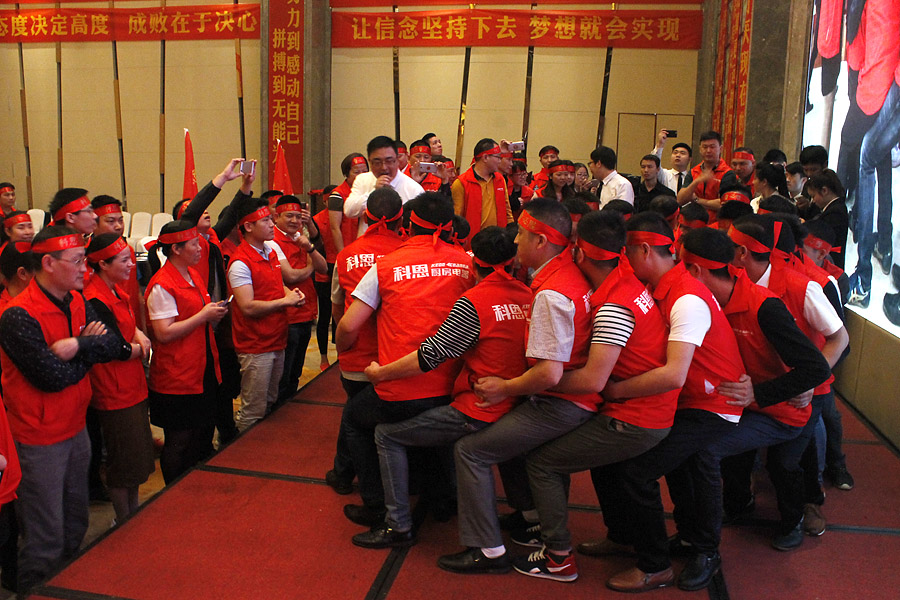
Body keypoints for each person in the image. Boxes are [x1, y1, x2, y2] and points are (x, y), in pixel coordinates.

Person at [512, 210, 678, 582]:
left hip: (638, 417)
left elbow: (592, 380)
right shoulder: (627, 280)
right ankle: (622, 537)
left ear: (579, 253)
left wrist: (534, 381)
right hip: (638, 407)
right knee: (606, 469)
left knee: (542, 463)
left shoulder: (615, 305)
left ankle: (565, 558)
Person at [438, 199, 594, 575]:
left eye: (521, 234)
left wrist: (504, 387)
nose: (515, 241)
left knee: (471, 451)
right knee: (509, 440)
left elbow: (548, 374)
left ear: (540, 241)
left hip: (559, 402)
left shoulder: (551, 293)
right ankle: (532, 521)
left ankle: (489, 550)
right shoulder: (569, 275)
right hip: (570, 396)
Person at [352, 226, 531, 550]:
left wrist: (382, 374)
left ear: (475, 263)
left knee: (386, 434)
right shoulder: (527, 295)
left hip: (478, 408)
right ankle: (521, 516)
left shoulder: (474, 301)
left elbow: (430, 354)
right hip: (517, 403)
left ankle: (397, 525)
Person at [596, 212, 746, 593]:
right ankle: (655, 536)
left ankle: (675, 560)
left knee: (640, 469)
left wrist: (617, 390)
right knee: (625, 457)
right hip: (686, 399)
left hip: (713, 403)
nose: (623, 258)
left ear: (645, 250)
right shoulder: (662, 286)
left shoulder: (686, 297)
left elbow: (673, 374)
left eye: (628, 250)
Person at [677, 227, 830, 554]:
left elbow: (815, 367)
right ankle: (734, 507)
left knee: (716, 452)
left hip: (780, 412)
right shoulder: (708, 302)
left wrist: (758, 393)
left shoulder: (764, 305)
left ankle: (789, 522)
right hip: (740, 405)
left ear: (697, 271)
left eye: (681, 267)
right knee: (699, 445)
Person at [0, 225, 128, 593]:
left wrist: (77, 345)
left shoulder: (75, 300)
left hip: (76, 428)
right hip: (38, 439)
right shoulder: (17, 315)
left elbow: (113, 346)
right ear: (48, 264)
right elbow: (51, 378)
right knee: (45, 539)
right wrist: (88, 350)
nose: (84, 268)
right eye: (76, 261)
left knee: (76, 524)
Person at [336, 192, 474, 527]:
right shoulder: (468, 264)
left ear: (409, 224)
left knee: (355, 419)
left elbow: (349, 325)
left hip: (403, 387)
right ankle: (443, 499)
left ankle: (375, 505)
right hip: (458, 386)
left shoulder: (386, 265)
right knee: (436, 432)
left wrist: (342, 349)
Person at [727, 215, 848, 538]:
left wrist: (808, 382)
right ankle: (740, 503)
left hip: (805, 388)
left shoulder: (804, 286)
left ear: (744, 251)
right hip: (760, 381)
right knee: (735, 450)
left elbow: (840, 339)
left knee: (789, 459)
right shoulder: (734, 280)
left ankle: (807, 505)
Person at [327, 187, 405, 495]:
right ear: (402, 218)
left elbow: (337, 308)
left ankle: (346, 475)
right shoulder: (409, 253)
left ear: (365, 216)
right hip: (399, 359)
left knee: (354, 416)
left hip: (357, 357)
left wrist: (343, 342)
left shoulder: (347, 255)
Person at [144, 220, 228, 484]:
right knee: (179, 439)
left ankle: (191, 485)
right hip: (177, 375)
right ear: (176, 249)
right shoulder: (162, 284)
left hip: (201, 367)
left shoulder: (193, 274)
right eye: (194, 244)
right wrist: (203, 315)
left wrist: (212, 313)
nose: (200, 248)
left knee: (200, 434)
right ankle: (172, 491)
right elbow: (163, 332)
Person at [83, 234, 155, 522]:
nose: (131, 265)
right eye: (124, 260)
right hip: (114, 391)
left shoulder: (114, 290)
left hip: (132, 385)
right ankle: (123, 520)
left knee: (136, 460)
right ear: (102, 264)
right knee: (123, 462)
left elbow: (125, 329)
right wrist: (139, 348)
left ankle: (132, 514)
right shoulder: (94, 297)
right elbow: (116, 348)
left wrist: (136, 337)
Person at [228, 198, 305, 431]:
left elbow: (276, 285)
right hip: (255, 345)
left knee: (270, 401)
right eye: (265, 221)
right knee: (253, 409)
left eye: (271, 219)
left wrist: (291, 294)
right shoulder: (240, 262)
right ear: (248, 226)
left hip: (276, 338)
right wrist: (285, 301)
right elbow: (247, 306)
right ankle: (240, 449)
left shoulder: (269, 251)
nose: (272, 224)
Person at [272, 195, 328, 403]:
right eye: (289, 216)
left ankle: (289, 409)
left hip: (306, 312)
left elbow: (324, 268)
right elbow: (291, 276)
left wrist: (310, 248)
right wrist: (311, 265)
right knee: (283, 375)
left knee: (295, 372)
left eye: (298, 216)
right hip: (287, 316)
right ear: (276, 217)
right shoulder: (272, 240)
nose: (294, 221)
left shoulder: (300, 237)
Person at [345, 136, 424, 237]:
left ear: (397, 160)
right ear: (370, 162)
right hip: (368, 244)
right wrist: (374, 192)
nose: (384, 167)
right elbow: (349, 211)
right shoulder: (362, 180)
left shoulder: (414, 189)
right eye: (377, 163)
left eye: (389, 161)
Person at [451, 138, 514, 245]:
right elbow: (457, 218)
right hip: (473, 244)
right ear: (485, 157)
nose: (500, 161)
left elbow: (507, 210)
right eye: (498, 157)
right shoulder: (461, 183)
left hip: (499, 242)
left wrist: (511, 233)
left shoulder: (500, 179)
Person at [677, 131, 733, 218]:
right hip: (694, 220)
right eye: (705, 147)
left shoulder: (727, 173)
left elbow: (724, 204)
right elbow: (680, 200)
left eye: (712, 147)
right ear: (700, 149)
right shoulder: (693, 171)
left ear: (721, 149)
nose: (708, 151)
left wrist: (697, 200)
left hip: (716, 222)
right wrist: (696, 181)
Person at [326, 153, 368, 258]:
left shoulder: (370, 190)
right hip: (346, 248)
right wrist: (342, 254)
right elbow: (334, 228)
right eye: (356, 172)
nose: (361, 176)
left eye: (365, 171)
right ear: (346, 174)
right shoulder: (337, 194)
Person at [807, 170, 848, 272]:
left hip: (831, 266)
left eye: (813, 196)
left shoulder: (836, 212)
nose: (813, 201)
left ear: (824, 191)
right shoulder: (835, 208)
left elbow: (822, 236)